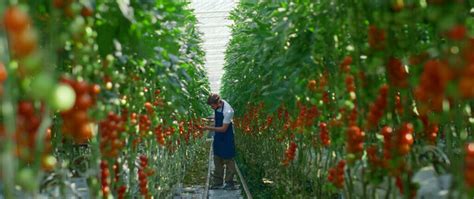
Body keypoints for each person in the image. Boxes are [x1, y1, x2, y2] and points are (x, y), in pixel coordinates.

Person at [203, 93, 237, 190]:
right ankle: (218, 182)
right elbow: (217, 121)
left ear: (217, 103)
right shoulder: (218, 106)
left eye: (212, 105)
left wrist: (207, 128)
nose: (211, 107)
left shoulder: (228, 111)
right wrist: (207, 121)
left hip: (227, 136)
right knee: (217, 158)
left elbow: (223, 129)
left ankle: (229, 182)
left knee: (229, 159)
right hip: (218, 136)